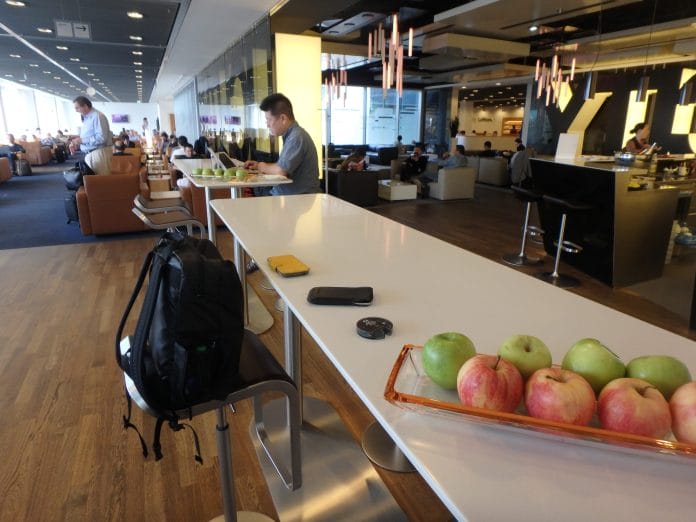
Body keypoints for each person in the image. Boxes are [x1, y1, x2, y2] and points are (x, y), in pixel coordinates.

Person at [244, 93, 319, 196]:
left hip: (296, 199)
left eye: (269, 119)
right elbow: (281, 166)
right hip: (288, 195)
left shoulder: (296, 137)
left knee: (250, 191)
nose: (267, 124)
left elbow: (280, 171)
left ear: (283, 118)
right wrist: (257, 166)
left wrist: (261, 166)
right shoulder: (293, 135)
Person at [72, 95, 112, 175]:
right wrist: (77, 142)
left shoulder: (97, 116)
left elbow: (101, 138)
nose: (76, 111)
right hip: (92, 154)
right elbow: (89, 136)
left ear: (85, 106)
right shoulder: (88, 117)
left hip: (98, 153)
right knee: (93, 181)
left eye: (77, 108)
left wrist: (82, 141)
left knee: (101, 180)